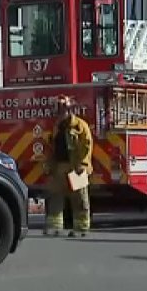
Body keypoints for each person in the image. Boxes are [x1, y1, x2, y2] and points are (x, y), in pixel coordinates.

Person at [44, 95, 93, 238]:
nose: (59, 112)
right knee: (55, 197)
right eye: (58, 109)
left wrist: (82, 164)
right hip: (59, 166)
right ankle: (54, 227)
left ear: (69, 110)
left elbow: (87, 145)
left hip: (76, 166)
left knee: (79, 198)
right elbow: (51, 147)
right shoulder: (56, 127)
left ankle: (81, 228)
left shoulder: (80, 126)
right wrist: (49, 165)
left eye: (62, 109)